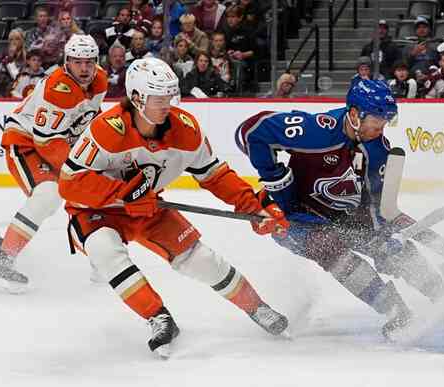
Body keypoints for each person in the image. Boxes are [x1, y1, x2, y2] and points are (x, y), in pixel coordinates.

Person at [57, 57, 290, 358]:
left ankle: (257, 307)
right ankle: (158, 316)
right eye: (158, 97)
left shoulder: (186, 128)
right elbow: (69, 183)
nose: (167, 103)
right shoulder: (106, 130)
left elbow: (214, 174)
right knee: (105, 250)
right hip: (96, 211)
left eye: (169, 94)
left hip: (150, 206)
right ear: (137, 98)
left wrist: (251, 206)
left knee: (200, 259)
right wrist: (123, 194)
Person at [235, 80, 444, 338]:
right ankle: (396, 311)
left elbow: (380, 207)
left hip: (343, 215)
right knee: (330, 248)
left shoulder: (379, 151)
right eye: (376, 120)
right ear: (355, 115)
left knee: (394, 250)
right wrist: (275, 178)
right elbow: (250, 131)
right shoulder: (315, 131)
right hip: (294, 220)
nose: (381, 128)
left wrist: (383, 237)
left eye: (385, 121)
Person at [0, 35, 107, 293]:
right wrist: (80, 170)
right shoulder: (58, 89)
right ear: (67, 62)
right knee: (48, 194)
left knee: (90, 197)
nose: (85, 68)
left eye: (89, 62)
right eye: (78, 62)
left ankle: (102, 256)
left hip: (58, 142)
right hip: (27, 142)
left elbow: (90, 120)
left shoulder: (99, 80)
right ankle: (3, 258)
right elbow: (47, 143)